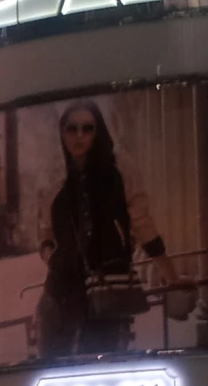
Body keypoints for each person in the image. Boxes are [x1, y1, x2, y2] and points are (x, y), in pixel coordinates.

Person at [34, 98, 185, 357]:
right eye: (72, 129)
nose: (79, 136)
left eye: (87, 128)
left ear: (98, 130)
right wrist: (49, 254)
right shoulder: (58, 175)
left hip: (106, 290)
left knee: (101, 369)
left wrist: (170, 276)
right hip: (59, 290)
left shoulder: (118, 168)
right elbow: (45, 227)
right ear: (63, 132)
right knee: (51, 370)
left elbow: (143, 223)